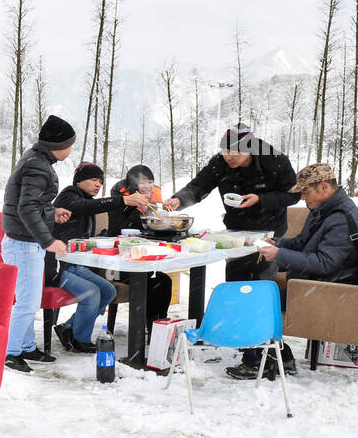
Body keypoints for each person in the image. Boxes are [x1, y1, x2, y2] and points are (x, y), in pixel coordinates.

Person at [228, 162, 358, 380]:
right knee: (260, 289)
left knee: (258, 299)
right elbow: (304, 242)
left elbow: (325, 264)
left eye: (305, 191)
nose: (302, 197)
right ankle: (280, 358)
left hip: (331, 292)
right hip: (320, 283)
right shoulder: (324, 210)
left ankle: (258, 362)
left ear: (323, 187)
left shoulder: (340, 218)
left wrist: (279, 255)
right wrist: (278, 242)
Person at [164, 123, 299, 284]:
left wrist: (261, 199)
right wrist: (179, 200)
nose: (228, 156)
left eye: (234, 151)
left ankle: (260, 308)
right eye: (225, 150)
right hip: (236, 230)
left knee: (261, 282)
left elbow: (293, 194)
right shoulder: (221, 162)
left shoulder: (275, 160)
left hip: (269, 231)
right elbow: (200, 184)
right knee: (235, 280)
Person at [0, 115, 76, 372]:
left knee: (29, 299)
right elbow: (26, 208)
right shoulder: (38, 166)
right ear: (60, 144)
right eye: (70, 144)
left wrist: (51, 213)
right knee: (27, 302)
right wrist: (49, 241)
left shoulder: (37, 160)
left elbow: (32, 204)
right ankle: (10, 352)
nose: (71, 149)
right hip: (23, 243)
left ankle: (26, 346)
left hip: (24, 241)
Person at [48, 163, 147, 352]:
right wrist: (123, 200)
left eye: (101, 181)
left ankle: (68, 327)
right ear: (79, 181)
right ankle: (80, 340)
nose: (98, 184)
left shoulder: (84, 200)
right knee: (92, 292)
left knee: (108, 290)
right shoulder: (69, 196)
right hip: (57, 267)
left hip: (75, 265)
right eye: (94, 180)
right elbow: (85, 207)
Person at [102, 163, 173, 330]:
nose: (148, 186)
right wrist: (138, 211)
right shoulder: (119, 200)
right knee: (152, 284)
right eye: (143, 182)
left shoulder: (150, 202)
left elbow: (151, 232)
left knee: (164, 280)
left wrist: (164, 221)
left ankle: (157, 327)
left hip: (142, 262)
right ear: (133, 184)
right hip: (119, 265)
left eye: (150, 181)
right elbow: (116, 231)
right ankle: (143, 331)